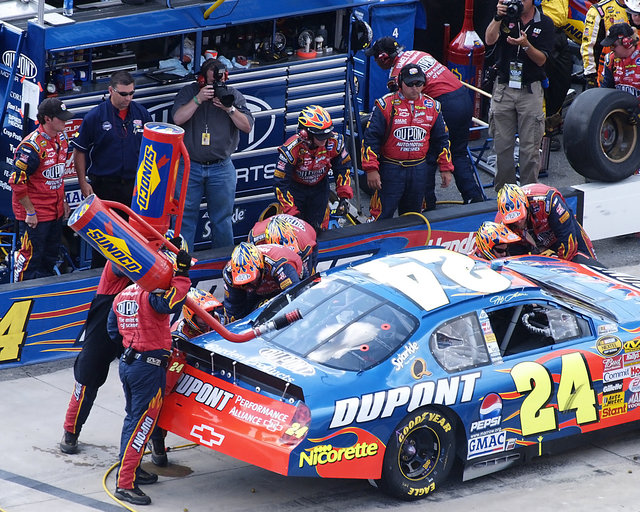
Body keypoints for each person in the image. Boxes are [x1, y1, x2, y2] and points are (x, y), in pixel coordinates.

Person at [106, 249, 192, 506]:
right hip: (148, 369)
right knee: (141, 425)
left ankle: (130, 470)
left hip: (129, 364)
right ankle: (125, 483)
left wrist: (133, 345)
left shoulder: (122, 295)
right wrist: (183, 274)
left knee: (133, 420)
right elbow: (171, 304)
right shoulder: (150, 295)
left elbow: (112, 331)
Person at [366, 36, 485, 208]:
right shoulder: (417, 53)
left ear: (384, 57)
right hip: (463, 97)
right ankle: (474, 199)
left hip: (444, 103)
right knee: (459, 153)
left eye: (375, 58)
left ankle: (427, 205)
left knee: (424, 156)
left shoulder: (398, 74)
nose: (375, 62)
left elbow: (402, 105)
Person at [171, 58, 254, 251]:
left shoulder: (232, 95)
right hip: (189, 166)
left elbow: (247, 127)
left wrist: (229, 109)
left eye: (219, 82)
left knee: (222, 219)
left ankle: (225, 265)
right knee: (184, 217)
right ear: (201, 79)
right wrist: (198, 99)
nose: (215, 86)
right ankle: (180, 264)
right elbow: (177, 119)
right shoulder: (189, 92)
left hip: (221, 167)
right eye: (210, 83)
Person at [71, 71, 152, 268]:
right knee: (106, 240)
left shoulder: (141, 113)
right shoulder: (95, 116)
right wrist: (82, 182)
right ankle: (101, 285)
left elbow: (154, 150)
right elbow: (79, 151)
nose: (128, 98)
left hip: (136, 187)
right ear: (110, 90)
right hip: (105, 187)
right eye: (123, 94)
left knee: (136, 238)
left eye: (132, 93)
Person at [362, 64, 454, 220]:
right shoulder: (385, 105)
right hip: (390, 169)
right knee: (381, 217)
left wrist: (446, 168)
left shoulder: (433, 106)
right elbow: (371, 139)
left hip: (419, 169)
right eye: (410, 84)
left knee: (414, 217)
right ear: (400, 83)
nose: (414, 88)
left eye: (418, 83)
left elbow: (442, 140)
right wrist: (371, 169)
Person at [60, 261, 130, 454]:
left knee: (147, 386)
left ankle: (156, 442)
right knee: (86, 379)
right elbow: (127, 267)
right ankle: (70, 431)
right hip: (104, 330)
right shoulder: (119, 258)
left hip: (136, 327)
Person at [484, 0, 555, 192]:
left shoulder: (545, 23)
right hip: (503, 88)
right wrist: (498, 17)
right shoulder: (505, 18)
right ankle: (505, 196)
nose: (518, 2)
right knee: (502, 149)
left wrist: (525, 45)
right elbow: (489, 40)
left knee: (530, 149)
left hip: (530, 90)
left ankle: (529, 195)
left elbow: (542, 60)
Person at [10, 98, 73, 281]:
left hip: (55, 212)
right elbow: (16, 181)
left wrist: (63, 201)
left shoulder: (62, 138)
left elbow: (58, 175)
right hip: (35, 217)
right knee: (29, 261)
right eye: (61, 118)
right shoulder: (31, 147)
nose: (65, 121)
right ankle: (21, 302)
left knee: (50, 259)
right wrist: (30, 211)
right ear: (47, 119)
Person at [273, 105, 353, 232]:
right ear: (306, 134)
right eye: (320, 136)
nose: (325, 140)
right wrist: (292, 213)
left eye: (327, 134)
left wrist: (344, 197)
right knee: (295, 231)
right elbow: (280, 184)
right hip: (295, 191)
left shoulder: (335, 142)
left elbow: (343, 169)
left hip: (320, 189)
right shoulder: (291, 149)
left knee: (319, 229)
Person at [496, 183, 598, 263]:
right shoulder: (501, 224)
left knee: (590, 264)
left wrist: (562, 265)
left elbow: (567, 236)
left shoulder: (547, 200)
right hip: (532, 243)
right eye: (513, 221)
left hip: (560, 233)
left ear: (526, 205)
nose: (518, 222)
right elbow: (512, 258)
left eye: (520, 218)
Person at [222, 241, 303, 322]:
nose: (250, 285)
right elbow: (233, 309)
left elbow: (296, 294)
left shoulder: (279, 264)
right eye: (244, 284)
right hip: (257, 292)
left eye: (252, 279)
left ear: (261, 267)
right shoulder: (229, 274)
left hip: (290, 280)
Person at [539, 0, 573, 150]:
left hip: (561, 32)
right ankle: (542, 133)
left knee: (563, 81)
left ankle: (553, 121)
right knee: (542, 83)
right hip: (543, 30)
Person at [249, 214, 318, 276]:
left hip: (307, 234)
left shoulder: (305, 246)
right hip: (265, 227)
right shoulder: (255, 238)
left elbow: (306, 277)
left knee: (309, 276)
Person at [581, 0, 629, 88]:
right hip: (605, 71)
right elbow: (588, 45)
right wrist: (590, 75)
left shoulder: (635, 8)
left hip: (631, 70)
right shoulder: (599, 10)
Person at [600, 22, 640, 98]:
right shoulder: (610, 60)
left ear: (627, 43)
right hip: (619, 107)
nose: (611, 49)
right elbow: (604, 91)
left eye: (613, 45)